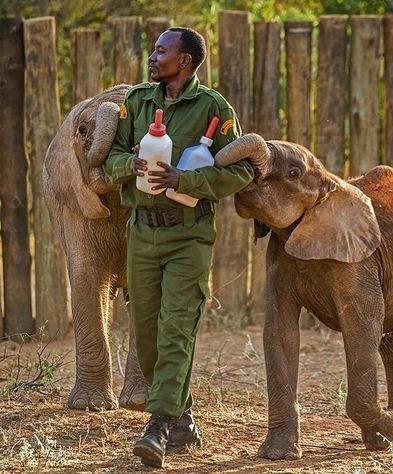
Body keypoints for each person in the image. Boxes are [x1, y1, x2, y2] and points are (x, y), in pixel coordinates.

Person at [104, 27, 253, 468]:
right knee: (146, 336)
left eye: (162, 50)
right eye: (153, 49)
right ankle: (183, 417)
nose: (153, 56)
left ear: (186, 61)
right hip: (142, 231)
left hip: (189, 235)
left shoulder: (214, 108)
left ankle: (159, 425)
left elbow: (241, 170)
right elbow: (110, 153)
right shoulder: (138, 101)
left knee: (175, 328)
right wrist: (126, 163)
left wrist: (185, 181)